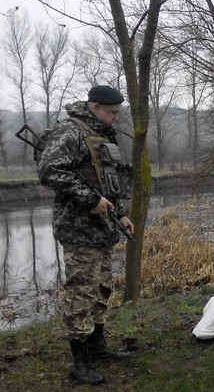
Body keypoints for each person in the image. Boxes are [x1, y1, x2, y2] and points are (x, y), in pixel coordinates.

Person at [37, 84, 135, 385]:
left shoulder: (103, 135)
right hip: (78, 228)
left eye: (118, 113)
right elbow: (50, 171)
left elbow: (108, 181)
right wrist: (90, 200)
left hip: (103, 228)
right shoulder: (71, 131)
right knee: (81, 292)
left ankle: (97, 347)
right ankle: (79, 362)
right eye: (112, 112)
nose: (116, 118)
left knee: (102, 286)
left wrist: (120, 212)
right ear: (94, 106)